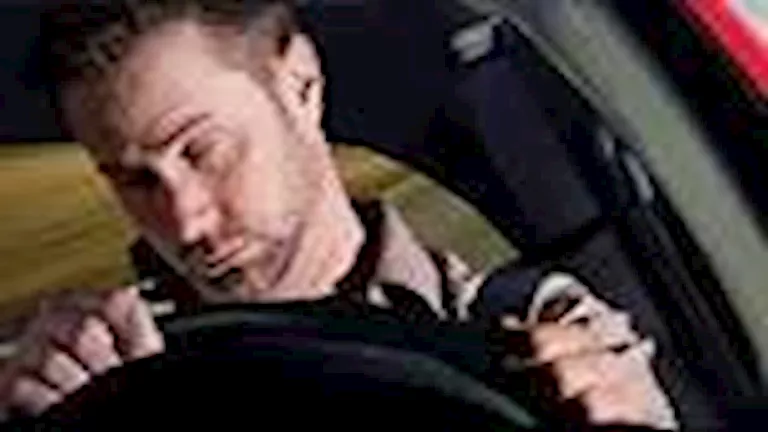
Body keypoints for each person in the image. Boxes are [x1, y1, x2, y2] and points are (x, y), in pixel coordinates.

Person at [0, 0, 677, 429]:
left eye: (203, 151)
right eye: (134, 180)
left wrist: (630, 416)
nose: (186, 222)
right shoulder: (88, 369)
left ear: (300, 85)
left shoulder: (530, 338)